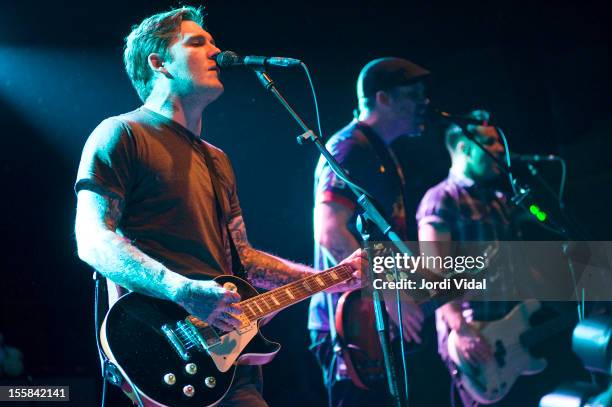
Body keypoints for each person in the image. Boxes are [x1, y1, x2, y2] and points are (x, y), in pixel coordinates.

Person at [73, 6, 365, 406]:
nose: (217, 51)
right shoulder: (122, 133)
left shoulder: (217, 159)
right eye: (198, 43)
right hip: (160, 355)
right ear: (158, 63)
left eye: (213, 43)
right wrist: (182, 291)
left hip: (231, 363)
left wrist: (334, 276)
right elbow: (92, 239)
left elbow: (243, 258)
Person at [416, 110, 583, 406]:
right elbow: (433, 270)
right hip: (474, 334)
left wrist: (568, 302)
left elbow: (519, 267)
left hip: (514, 329)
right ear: (465, 148)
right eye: (491, 143)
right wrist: (460, 328)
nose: (500, 150)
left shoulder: (499, 200)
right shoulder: (442, 198)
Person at [308, 57, 449, 406]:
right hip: (352, 325)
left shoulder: (380, 152)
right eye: (413, 94)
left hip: (379, 321)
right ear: (383, 98)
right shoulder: (349, 147)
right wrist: (388, 292)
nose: (424, 103)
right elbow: (330, 232)